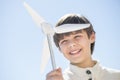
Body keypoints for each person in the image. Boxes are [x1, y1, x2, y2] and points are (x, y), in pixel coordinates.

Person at [46, 14, 120, 80]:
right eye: (64, 41)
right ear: (59, 48)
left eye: (77, 36)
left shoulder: (116, 76)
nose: (71, 44)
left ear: (92, 37)